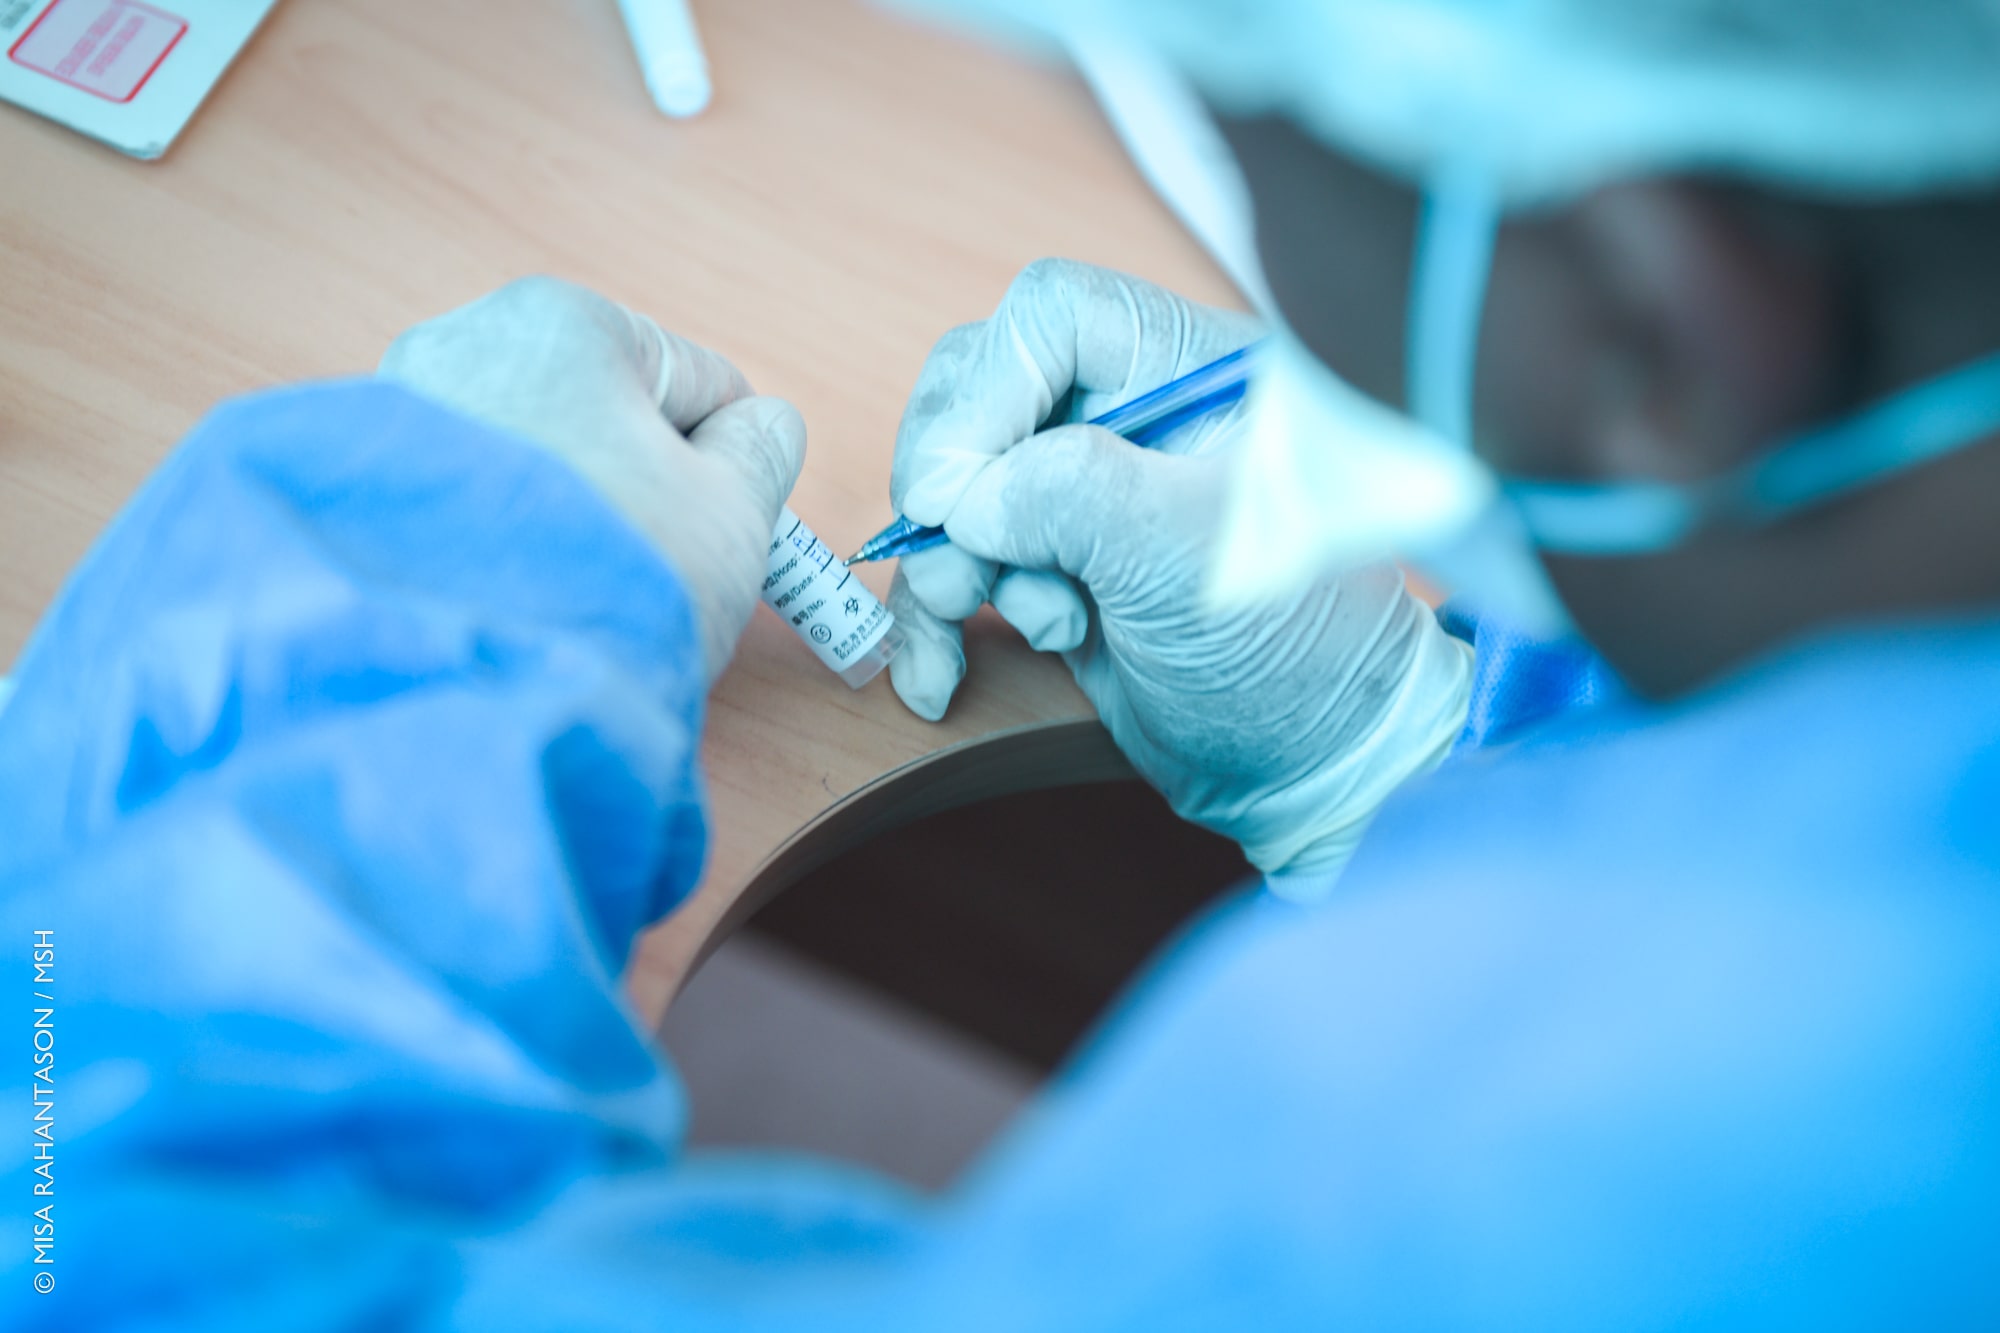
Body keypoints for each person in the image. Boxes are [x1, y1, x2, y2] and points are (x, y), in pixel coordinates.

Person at [5, 0, 1998, 1326]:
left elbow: (96, 1247)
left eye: (1248, 166)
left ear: (1660, 323)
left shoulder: (1502, 1182)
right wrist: (1396, 754)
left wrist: (391, 606)